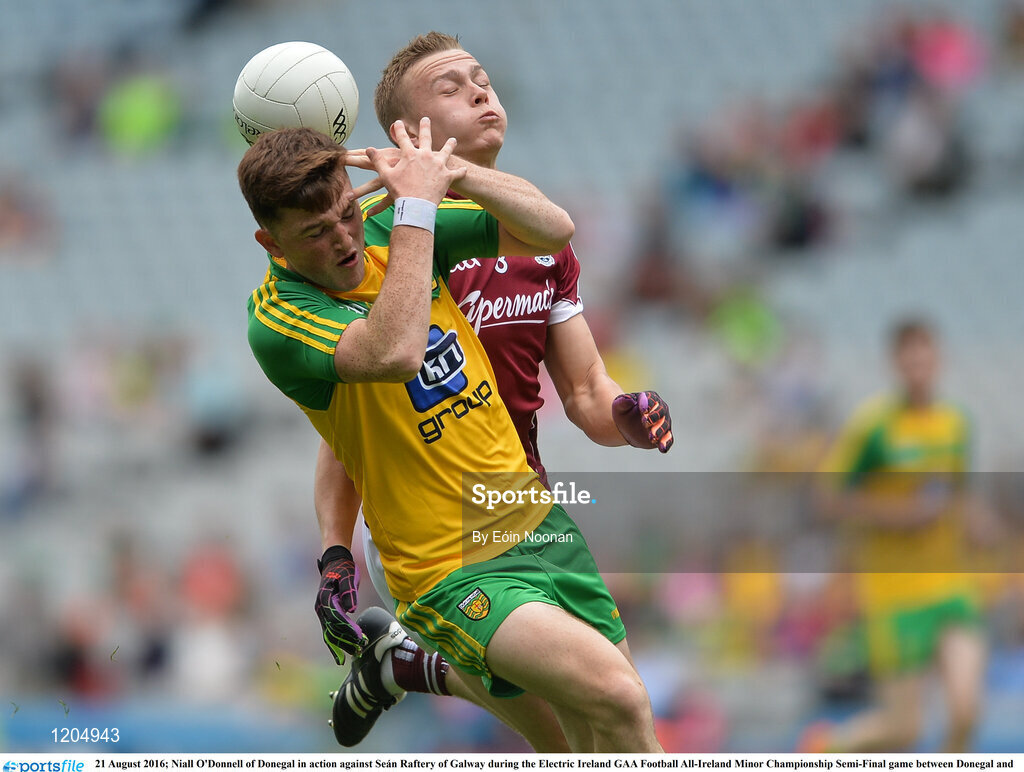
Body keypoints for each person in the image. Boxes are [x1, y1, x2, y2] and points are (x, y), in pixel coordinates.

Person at [240, 121, 664, 752]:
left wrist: (446, 175)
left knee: (587, 741)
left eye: (347, 215)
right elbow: (398, 352)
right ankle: (411, 659)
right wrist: (416, 208)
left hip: (535, 520)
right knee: (618, 696)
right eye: (314, 233)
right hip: (447, 567)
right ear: (269, 242)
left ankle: (402, 666)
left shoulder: (396, 226)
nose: (343, 239)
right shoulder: (277, 316)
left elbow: (553, 233)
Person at [804, 318, 991, 752]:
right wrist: (899, 514)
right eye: (909, 360)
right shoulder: (874, 426)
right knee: (905, 729)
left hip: (951, 583)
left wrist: (982, 527)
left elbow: (957, 497)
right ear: (895, 364)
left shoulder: (955, 423)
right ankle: (823, 749)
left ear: (939, 360)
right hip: (894, 594)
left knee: (966, 711)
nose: (918, 368)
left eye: (925, 358)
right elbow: (825, 499)